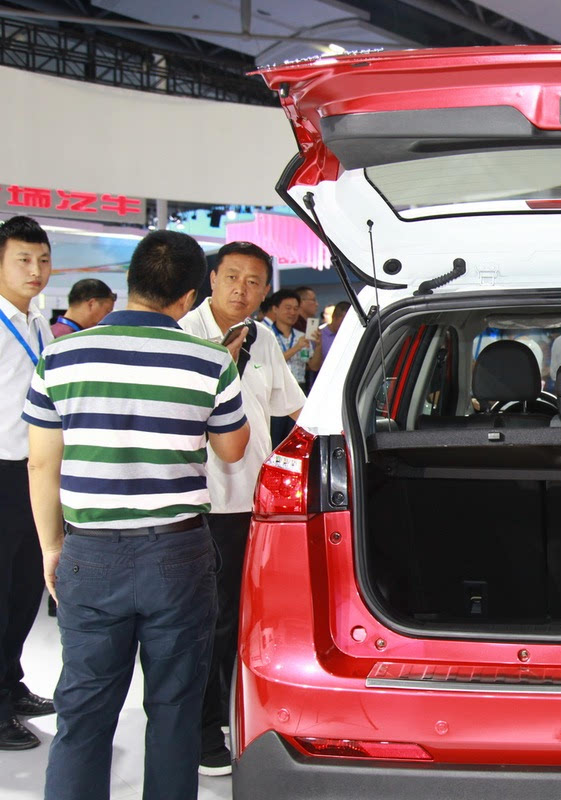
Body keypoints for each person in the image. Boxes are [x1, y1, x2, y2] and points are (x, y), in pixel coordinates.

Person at [24, 230, 250, 799]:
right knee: (175, 708)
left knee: (83, 707)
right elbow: (232, 449)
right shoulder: (208, 360)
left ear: (130, 281)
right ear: (191, 295)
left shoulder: (60, 356)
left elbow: (41, 464)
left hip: (90, 550)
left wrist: (52, 547)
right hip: (178, 552)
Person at [179, 241, 305, 776]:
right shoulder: (183, 334)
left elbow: (292, 408)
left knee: (240, 618)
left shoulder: (264, 338)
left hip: (252, 503)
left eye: (254, 282)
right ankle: (201, 729)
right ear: (211, 279)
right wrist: (221, 364)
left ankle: (228, 713)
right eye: (232, 277)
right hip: (199, 501)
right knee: (201, 621)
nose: (241, 290)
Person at [0, 216, 55, 751]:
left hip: (33, 474)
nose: (35, 270)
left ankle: (10, 685)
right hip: (1, 469)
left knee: (23, 592)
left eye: (42, 259)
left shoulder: (38, 322)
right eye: (22, 259)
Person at [264, 288, 320, 445]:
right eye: (288, 308)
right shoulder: (266, 335)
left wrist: (318, 345)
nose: (292, 312)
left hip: (298, 389)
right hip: (274, 391)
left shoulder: (301, 336)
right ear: (275, 309)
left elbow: (313, 366)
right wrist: (296, 348)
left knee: (296, 440)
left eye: (296, 308)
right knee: (274, 440)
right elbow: (271, 363)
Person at [49, 279, 116, 338]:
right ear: (91, 304)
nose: (108, 317)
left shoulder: (51, 332)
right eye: (107, 311)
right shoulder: (68, 339)